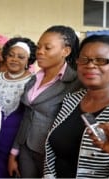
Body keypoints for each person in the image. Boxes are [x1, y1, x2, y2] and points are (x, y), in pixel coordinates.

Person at [44, 35, 109, 178]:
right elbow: (51, 151)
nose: (90, 65)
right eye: (84, 59)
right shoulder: (71, 100)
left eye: (101, 60)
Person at [8, 25, 81, 178]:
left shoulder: (75, 83)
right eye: (39, 47)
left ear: (65, 51)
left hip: (53, 155)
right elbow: (27, 116)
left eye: (47, 48)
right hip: (26, 149)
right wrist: (14, 152)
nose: (40, 52)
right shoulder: (34, 78)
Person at [0, 37, 36, 178]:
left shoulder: (34, 82)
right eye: (11, 55)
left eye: (21, 57)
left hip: (18, 144)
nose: (14, 59)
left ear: (28, 60)